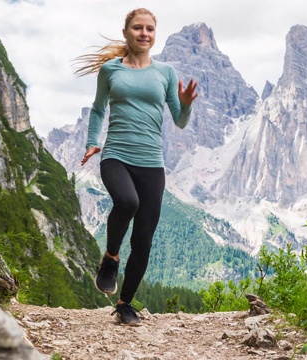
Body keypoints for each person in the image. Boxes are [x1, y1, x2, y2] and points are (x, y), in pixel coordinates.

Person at [77, 8, 198, 326]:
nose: (144, 33)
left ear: (154, 34)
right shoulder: (110, 70)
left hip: (152, 164)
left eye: (149, 29)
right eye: (138, 28)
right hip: (116, 155)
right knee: (127, 202)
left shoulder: (166, 73)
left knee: (144, 238)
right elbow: (98, 108)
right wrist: (92, 141)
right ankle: (111, 256)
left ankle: (125, 303)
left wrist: (185, 104)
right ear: (127, 32)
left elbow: (180, 121)